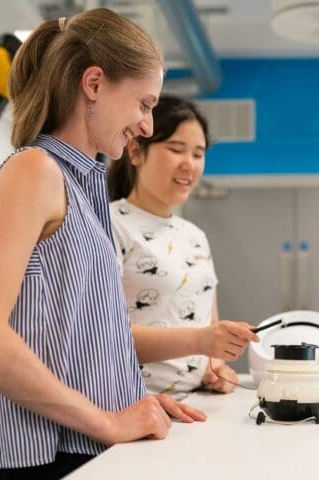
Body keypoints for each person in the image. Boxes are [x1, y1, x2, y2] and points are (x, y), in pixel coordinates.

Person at [0, 9, 236, 479]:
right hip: (52, 459)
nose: (146, 125)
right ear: (95, 84)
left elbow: (76, 335)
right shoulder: (34, 171)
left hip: (87, 449)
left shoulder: (84, 187)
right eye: (143, 104)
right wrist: (106, 420)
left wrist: (128, 397)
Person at [108, 95, 255, 395]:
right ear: (136, 152)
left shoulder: (195, 235)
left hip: (197, 404)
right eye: (176, 150)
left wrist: (216, 367)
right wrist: (201, 340)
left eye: (198, 154)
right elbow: (103, 336)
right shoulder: (110, 224)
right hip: (136, 404)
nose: (189, 165)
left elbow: (207, 324)